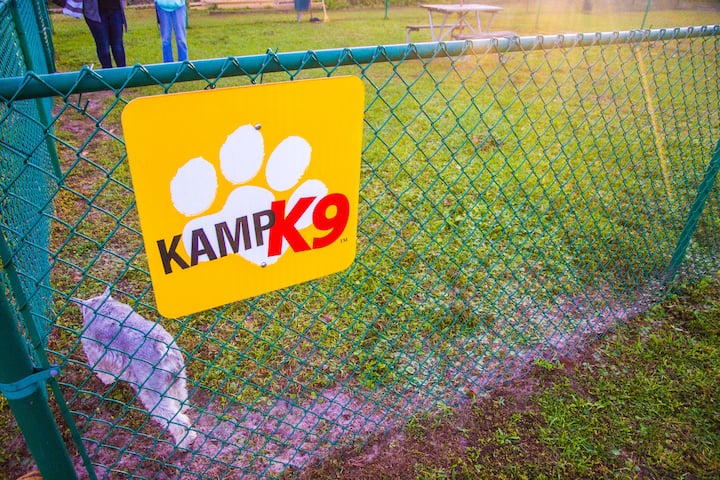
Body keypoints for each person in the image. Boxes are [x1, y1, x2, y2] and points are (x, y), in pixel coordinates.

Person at [83, 0, 128, 69]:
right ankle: (108, 73)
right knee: (104, 48)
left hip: (115, 9)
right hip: (95, 12)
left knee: (118, 46)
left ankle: (123, 72)